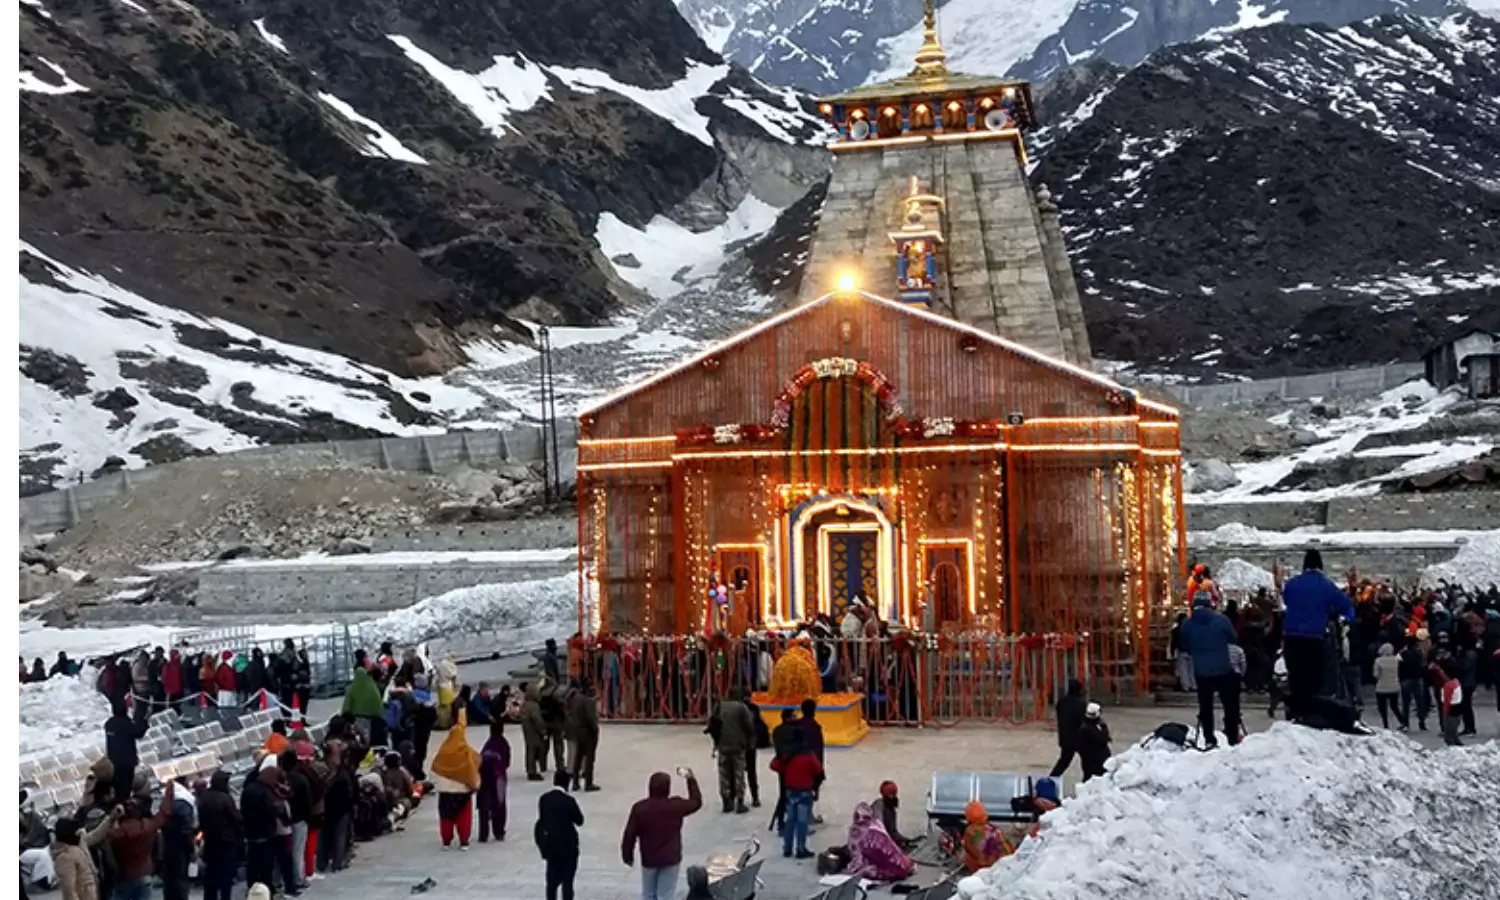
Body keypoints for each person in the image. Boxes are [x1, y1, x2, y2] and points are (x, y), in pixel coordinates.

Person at [1281, 549, 1355, 719]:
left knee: (1296, 678)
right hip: (1313, 639)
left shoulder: (1292, 584)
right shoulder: (1326, 585)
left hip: (1291, 639)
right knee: (1314, 680)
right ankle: (1310, 715)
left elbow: (1286, 601)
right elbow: (1346, 606)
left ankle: (1294, 714)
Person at [621, 768, 703, 900]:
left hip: (649, 858)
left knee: (648, 893)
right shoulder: (675, 805)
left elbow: (629, 834)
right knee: (666, 895)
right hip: (670, 858)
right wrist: (690, 780)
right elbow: (696, 802)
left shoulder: (640, 808)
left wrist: (627, 855)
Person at [1178, 591, 1242, 747]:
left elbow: (1184, 646)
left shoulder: (1187, 624)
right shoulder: (1222, 621)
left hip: (1202, 672)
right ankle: (1233, 736)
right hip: (1223, 668)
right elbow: (1233, 638)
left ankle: (1209, 738)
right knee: (1229, 704)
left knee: (1206, 706)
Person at [108, 778, 176, 900]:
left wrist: (112, 818)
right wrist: (170, 790)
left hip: (124, 875)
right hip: (144, 873)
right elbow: (164, 813)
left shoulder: (119, 833)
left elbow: (104, 837)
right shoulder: (148, 826)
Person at [431, 708, 481, 850]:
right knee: (463, 817)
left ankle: (446, 841)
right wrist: (474, 784)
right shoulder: (465, 751)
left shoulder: (443, 751)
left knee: (446, 817)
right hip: (462, 790)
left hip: (445, 790)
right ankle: (464, 841)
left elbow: (436, 767)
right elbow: (475, 764)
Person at [770, 735, 822, 860]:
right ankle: (800, 848)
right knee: (802, 821)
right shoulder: (808, 754)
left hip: (790, 791)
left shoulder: (786, 754)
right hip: (804, 791)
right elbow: (818, 769)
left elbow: (774, 765)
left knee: (791, 820)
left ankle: (787, 848)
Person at [535, 771, 584, 900]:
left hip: (551, 846)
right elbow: (579, 820)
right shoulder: (568, 801)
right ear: (567, 784)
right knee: (568, 883)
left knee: (551, 883)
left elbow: (542, 820)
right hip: (568, 846)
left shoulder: (544, 799)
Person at [708, 688, 755, 813]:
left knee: (724, 774)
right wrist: (750, 742)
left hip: (722, 745)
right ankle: (740, 802)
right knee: (738, 773)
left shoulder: (719, 706)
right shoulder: (741, 708)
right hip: (738, 745)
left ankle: (726, 801)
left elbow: (712, 723)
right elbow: (749, 726)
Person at [197, 770, 242, 900]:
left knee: (211, 876)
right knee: (226, 877)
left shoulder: (204, 798)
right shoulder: (225, 799)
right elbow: (236, 818)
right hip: (226, 843)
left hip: (210, 842)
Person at [844, 801, 915, 881]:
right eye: (857, 817)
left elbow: (858, 857)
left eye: (865, 817)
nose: (861, 820)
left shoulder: (870, 834)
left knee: (865, 871)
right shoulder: (875, 825)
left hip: (892, 867)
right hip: (901, 864)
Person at [103, 699, 149, 805]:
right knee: (125, 787)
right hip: (127, 762)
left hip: (113, 761)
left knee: (117, 787)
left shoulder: (109, 724)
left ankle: (118, 804)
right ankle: (124, 805)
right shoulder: (125, 723)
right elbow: (138, 733)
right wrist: (143, 721)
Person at [564, 679, 600, 793]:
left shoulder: (576, 699)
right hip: (587, 732)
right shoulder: (588, 701)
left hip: (577, 731)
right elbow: (590, 719)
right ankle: (588, 783)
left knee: (578, 757)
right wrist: (595, 729)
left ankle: (575, 782)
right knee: (589, 758)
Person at [478, 719, 510, 843]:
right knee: (499, 804)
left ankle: (483, 834)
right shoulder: (503, 744)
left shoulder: (487, 745)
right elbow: (507, 761)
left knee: (484, 805)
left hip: (483, 776)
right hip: (498, 776)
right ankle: (499, 832)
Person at [1047, 678, 1087, 778]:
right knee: (1089, 761)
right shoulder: (1080, 704)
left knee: (1063, 762)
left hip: (1065, 737)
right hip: (1079, 738)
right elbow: (1083, 720)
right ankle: (1089, 781)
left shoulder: (1062, 702)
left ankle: (1052, 779)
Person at [960, 800, 1014, 873]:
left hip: (987, 869)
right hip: (1008, 865)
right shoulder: (995, 829)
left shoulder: (970, 831)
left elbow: (970, 850)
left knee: (965, 858)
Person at [769, 708, 798, 834]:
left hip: (782, 765)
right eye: (793, 716)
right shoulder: (794, 731)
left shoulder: (776, 731)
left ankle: (781, 821)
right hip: (793, 765)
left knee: (783, 794)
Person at [341, 666, 386, 748]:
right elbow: (379, 705)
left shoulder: (352, 688)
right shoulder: (373, 688)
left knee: (360, 738)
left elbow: (347, 705)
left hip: (356, 718)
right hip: (372, 720)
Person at [797, 698, 825, 823]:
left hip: (797, 763)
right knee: (809, 790)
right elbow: (818, 749)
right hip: (811, 762)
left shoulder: (796, 725)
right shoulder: (815, 727)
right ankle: (806, 816)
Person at [1397, 635, 1429, 731]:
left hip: (1406, 679)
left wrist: (1400, 677)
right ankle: (1422, 722)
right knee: (1419, 702)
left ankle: (1406, 723)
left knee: (1406, 703)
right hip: (1417, 679)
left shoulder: (1402, 653)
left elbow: (1399, 666)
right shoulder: (1419, 653)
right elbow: (1423, 665)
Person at [1371, 643, 1404, 730]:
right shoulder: (1396, 660)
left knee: (1383, 708)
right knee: (1394, 706)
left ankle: (1386, 724)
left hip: (1381, 687)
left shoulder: (1378, 661)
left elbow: (1376, 675)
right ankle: (1402, 721)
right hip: (1394, 686)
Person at [871, 781, 913, 847]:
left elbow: (892, 831)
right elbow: (891, 832)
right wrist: (904, 840)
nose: (893, 796)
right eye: (891, 794)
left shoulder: (878, 804)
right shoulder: (887, 809)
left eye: (894, 793)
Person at [1078, 702, 1112, 781]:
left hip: (1089, 759)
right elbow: (1102, 739)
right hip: (1096, 759)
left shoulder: (1086, 725)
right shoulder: (1089, 728)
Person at [521, 682, 548, 781]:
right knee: (534, 750)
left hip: (527, 730)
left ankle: (530, 769)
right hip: (534, 731)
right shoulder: (534, 706)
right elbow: (538, 720)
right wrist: (543, 731)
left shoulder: (525, 704)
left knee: (529, 750)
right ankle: (533, 771)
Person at [1438, 660, 1464, 746]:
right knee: (1454, 729)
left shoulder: (1448, 685)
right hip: (1458, 707)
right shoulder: (1456, 681)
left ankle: (1451, 746)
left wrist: (1445, 711)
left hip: (1451, 709)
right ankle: (1456, 741)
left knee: (1448, 731)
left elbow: (1447, 700)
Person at [1170, 612, 1195, 692]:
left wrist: (1172, 652)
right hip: (1191, 651)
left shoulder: (1175, 630)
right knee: (1191, 670)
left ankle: (1185, 687)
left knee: (1183, 670)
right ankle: (1193, 685)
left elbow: (1173, 643)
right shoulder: (1191, 630)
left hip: (1181, 651)